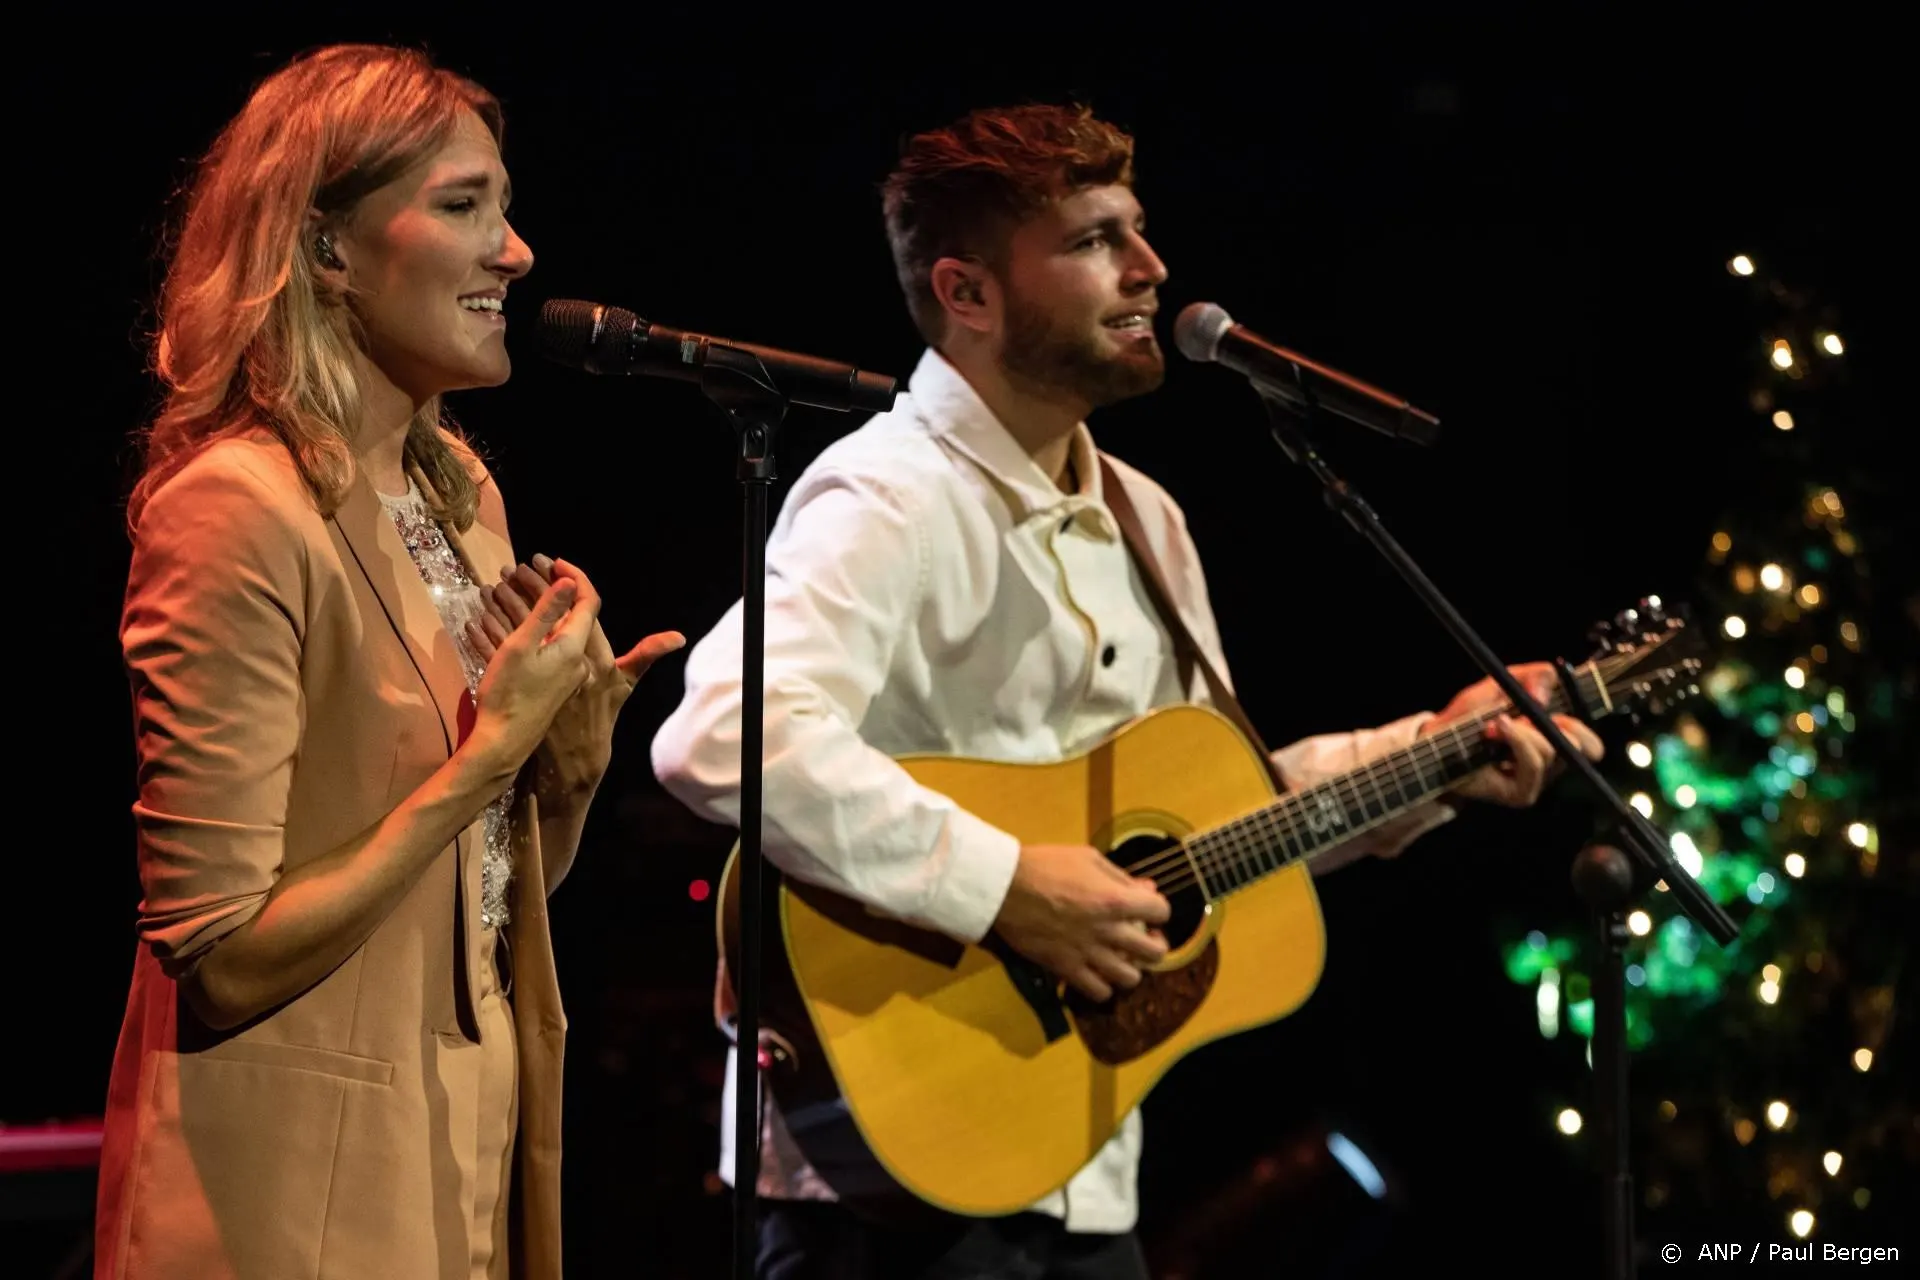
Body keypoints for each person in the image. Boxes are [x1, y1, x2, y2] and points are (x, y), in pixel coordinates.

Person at [641, 104, 1605, 1278]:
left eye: (1139, 231)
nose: (1150, 269)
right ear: (970, 291)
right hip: (887, 1194)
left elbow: (1223, 822)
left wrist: (1441, 751)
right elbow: (723, 733)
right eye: (1096, 240)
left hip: (1087, 1173)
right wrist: (1005, 884)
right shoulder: (887, 494)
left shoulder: (1148, 518)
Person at [95, 44, 680, 1280]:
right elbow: (222, 952)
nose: (515, 250)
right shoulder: (234, 509)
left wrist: (565, 777)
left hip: (461, 1149)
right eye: (465, 206)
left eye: (505, 209)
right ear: (325, 249)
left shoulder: (464, 499)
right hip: (292, 1189)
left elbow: (473, 907)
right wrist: (494, 756)